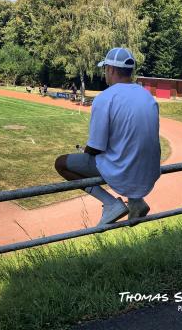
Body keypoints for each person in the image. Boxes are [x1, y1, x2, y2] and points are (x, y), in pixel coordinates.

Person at [54, 48, 160, 226]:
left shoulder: (105, 98)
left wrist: (87, 150)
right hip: (150, 171)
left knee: (61, 163)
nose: (105, 74)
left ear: (110, 69)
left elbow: (96, 147)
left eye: (105, 69)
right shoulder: (147, 96)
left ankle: (111, 204)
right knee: (125, 150)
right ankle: (136, 201)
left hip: (125, 171)